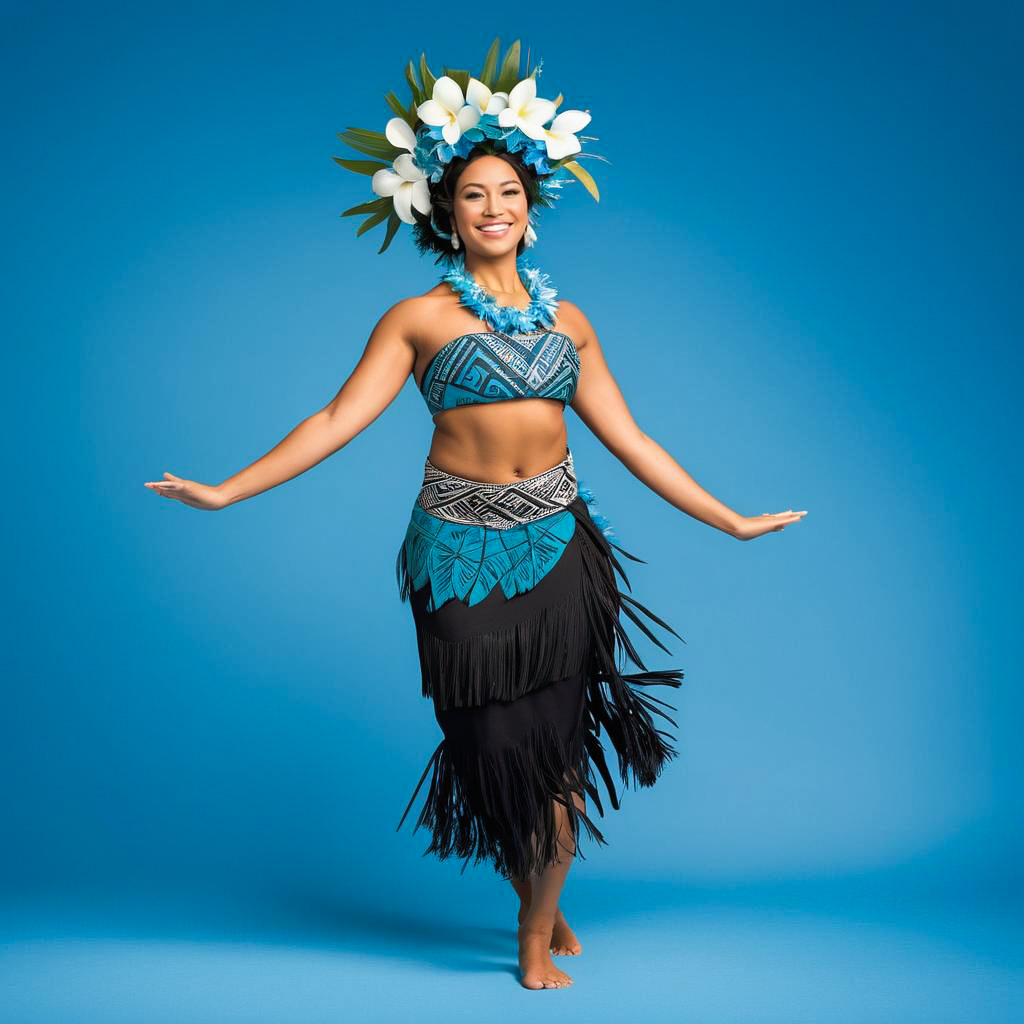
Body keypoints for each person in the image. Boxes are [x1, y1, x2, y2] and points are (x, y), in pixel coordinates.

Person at [144, 44, 807, 991]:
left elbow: (635, 439)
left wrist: (730, 521)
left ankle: (533, 935)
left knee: (559, 750)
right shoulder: (417, 320)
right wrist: (225, 489)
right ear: (443, 217)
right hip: (456, 555)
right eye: (473, 197)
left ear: (531, 208)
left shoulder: (570, 321)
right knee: (491, 752)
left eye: (509, 193)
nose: (494, 209)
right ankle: (538, 881)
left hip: (560, 553)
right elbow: (334, 419)